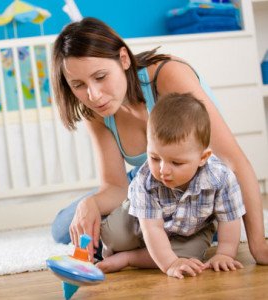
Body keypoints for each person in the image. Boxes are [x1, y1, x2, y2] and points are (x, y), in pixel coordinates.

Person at [50, 17, 268, 265]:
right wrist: (90, 204)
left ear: (123, 59)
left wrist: (258, 245)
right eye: (78, 85)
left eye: (100, 76)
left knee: (207, 219)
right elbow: (116, 186)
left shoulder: (167, 75)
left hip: (199, 181)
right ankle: (163, 233)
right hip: (150, 180)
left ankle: (193, 228)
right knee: (63, 227)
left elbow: (234, 162)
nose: (93, 95)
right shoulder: (95, 112)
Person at [99, 92, 245, 278]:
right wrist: (169, 264)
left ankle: (129, 258)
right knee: (113, 236)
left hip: (191, 230)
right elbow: (152, 228)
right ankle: (106, 236)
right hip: (141, 220)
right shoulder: (145, 180)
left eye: (176, 163)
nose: (163, 170)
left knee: (189, 257)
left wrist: (224, 253)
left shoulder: (221, 177)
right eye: (154, 158)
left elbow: (230, 219)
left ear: (203, 158)